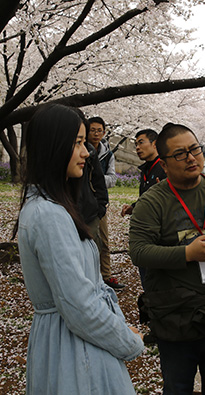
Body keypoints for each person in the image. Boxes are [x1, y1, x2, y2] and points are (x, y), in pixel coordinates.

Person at [17, 104, 143, 394]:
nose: (87, 152)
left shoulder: (54, 207)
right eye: (76, 143)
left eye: (84, 142)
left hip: (74, 340)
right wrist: (128, 340)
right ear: (53, 146)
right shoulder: (49, 215)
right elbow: (79, 306)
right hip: (74, 348)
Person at [129, 123, 205, 395]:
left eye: (195, 149)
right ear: (164, 163)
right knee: (178, 387)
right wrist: (187, 253)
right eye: (180, 154)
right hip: (176, 314)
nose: (192, 158)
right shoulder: (152, 202)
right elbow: (138, 251)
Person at [87, 116, 124, 289]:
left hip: (98, 202)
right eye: (92, 130)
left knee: (103, 240)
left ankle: (106, 275)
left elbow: (112, 179)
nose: (95, 133)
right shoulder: (81, 149)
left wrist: (96, 179)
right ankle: (89, 276)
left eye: (99, 130)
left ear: (104, 132)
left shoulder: (107, 155)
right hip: (80, 201)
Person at [121, 129, 167, 217]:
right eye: (136, 144)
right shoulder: (145, 169)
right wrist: (133, 207)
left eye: (141, 142)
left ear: (154, 144)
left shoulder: (165, 167)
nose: (137, 147)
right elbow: (146, 197)